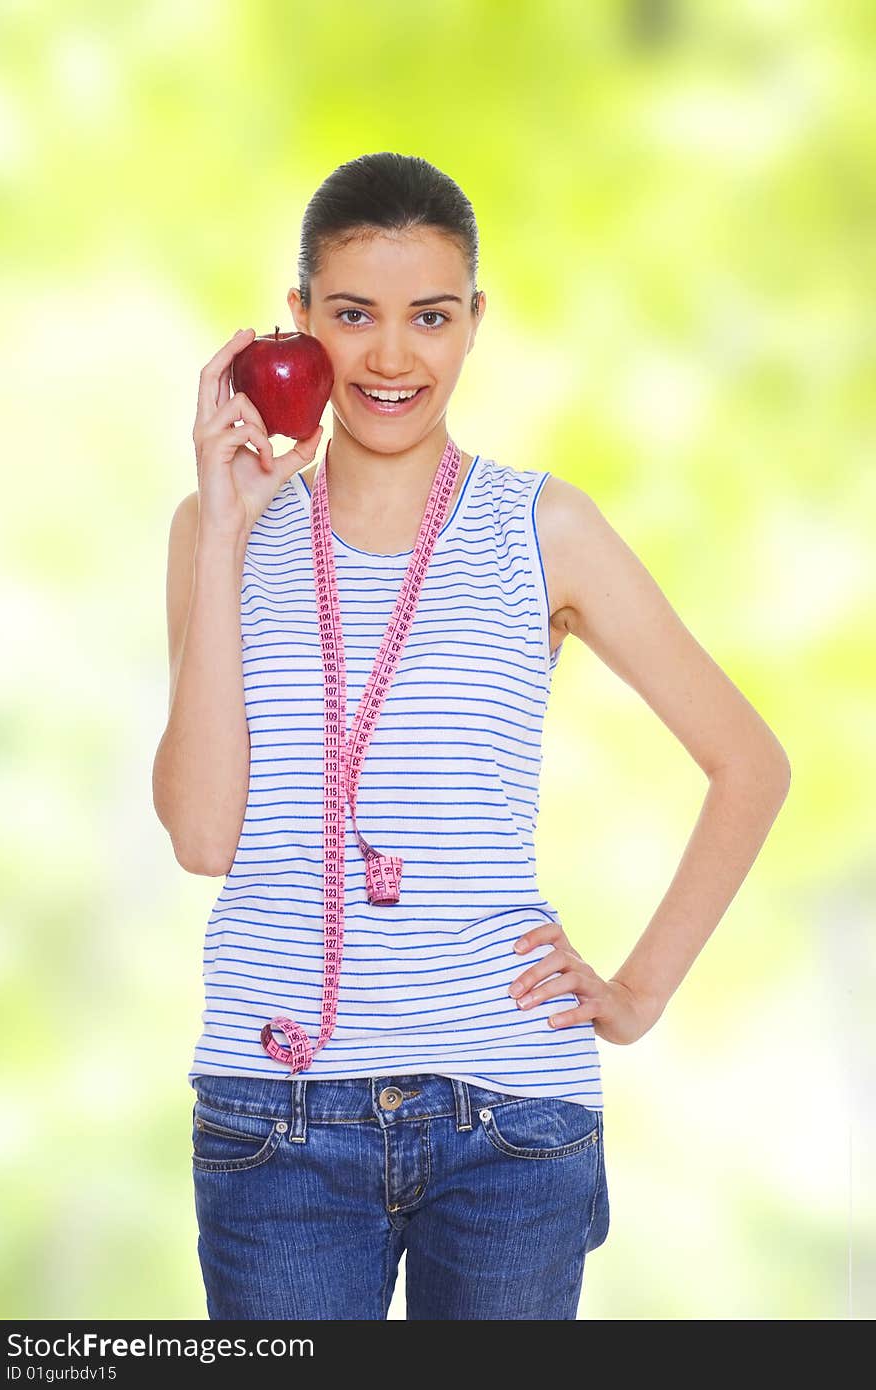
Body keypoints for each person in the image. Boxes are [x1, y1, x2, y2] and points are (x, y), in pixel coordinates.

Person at [152, 151, 791, 1321]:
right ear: (294, 323)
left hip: (507, 1118)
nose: (393, 357)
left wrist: (638, 992)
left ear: (473, 323)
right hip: (273, 1114)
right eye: (353, 316)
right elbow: (201, 835)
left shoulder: (542, 527)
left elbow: (748, 763)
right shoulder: (217, 526)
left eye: (430, 317)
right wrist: (231, 522)